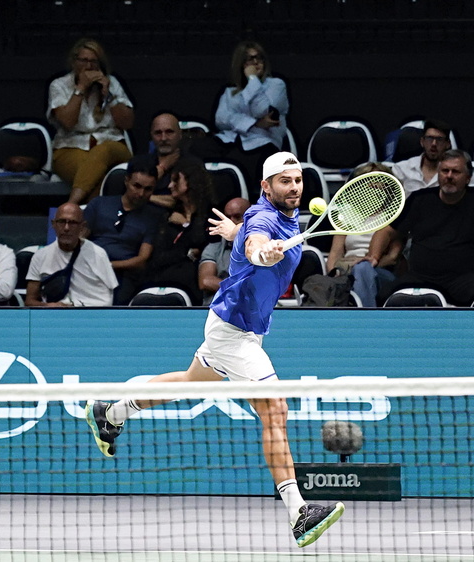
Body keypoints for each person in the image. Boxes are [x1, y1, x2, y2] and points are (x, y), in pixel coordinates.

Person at [84, 152, 344, 548]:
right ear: (266, 186)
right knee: (275, 409)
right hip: (234, 332)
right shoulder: (262, 219)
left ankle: (111, 411)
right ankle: (299, 512)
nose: (294, 187)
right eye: (284, 181)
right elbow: (258, 240)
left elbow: (250, 233)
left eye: (298, 180)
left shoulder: (282, 218)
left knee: (191, 380)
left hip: (236, 325)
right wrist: (258, 249)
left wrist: (234, 233)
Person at [366, 149, 474, 307]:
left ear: (468, 178)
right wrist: (374, 256)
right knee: (385, 295)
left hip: (465, 279)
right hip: (420, 277)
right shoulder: (420, 199)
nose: (449, 176)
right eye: (444, 171)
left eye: (455, 172)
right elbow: (387, 231)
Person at [195, 41, 288, 199]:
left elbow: (262, 110)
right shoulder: (230, 91)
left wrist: (252, 79)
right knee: (194, 150)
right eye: (249, 59)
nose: (256, 63)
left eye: (259, 58)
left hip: (262, 143)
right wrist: (255, 123)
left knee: (235, 165)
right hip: (230, 140)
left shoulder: (276, 85)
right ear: (240, 63)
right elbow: (221, 119)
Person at [48, 38, 135, 205]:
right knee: (96, 177)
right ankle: (89, 224)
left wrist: (108, 95)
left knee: (105, 149)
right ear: (74, 62)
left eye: (94, 61)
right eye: (84, 61)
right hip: (70, 147)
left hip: (113, 145)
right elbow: (67, 122)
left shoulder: (112, 83)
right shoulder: (59, 85)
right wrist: (80, 88)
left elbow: (127, 123)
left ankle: (70, 207)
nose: (89, 66)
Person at [84, 154, 161, 305]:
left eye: (148, 189)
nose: (141, 194)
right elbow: (78, 242)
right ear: (126, 181)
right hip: (88, 269)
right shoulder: (98, 204)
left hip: (124, 275)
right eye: (136, 186)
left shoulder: (153, 217)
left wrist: (108, 266)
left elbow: (142, 260)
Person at [326, 162, 404, 307]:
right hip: (347, 272)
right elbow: (334, 255)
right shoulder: (346, 216)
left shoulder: (394, 216)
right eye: (367, 184)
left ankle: (366, 318)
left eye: (377, 185)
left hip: (381, 273)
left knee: (362, 270)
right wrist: (335, 273)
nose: (372, 189)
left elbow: (393, 258)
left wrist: (364, 264)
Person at [141, 159, 217, 305]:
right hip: (162, 277)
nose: (170, 185)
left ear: (191, 182)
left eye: (176, 180)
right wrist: (187, 253)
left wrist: (185, 225)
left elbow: (204, 249)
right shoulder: (169, 216)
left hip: (192, 281)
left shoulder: (211, 215)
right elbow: (158, 257)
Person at [25, 203, 118, 307]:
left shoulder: (98, 254)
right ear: (53, 224)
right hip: (53, 316)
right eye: (61, 222)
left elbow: (107, 299)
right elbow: (29, 302)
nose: (66, 228)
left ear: (82, 227)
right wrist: (48, 306)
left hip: (90, 315)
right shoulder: (40, 256)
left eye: (72, 223)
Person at [392, 119, 474, 205]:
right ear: (422, 141)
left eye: (439, 139)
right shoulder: (401, 169)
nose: (434, 144)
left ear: (448, 144)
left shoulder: (458, 171)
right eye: (430, 138)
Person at [198, 197, 251, 304]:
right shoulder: (213, 248)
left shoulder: (260, 246)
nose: (230, 222)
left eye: (237, 217)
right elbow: (206, 281)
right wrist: (241, 289)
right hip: (217, 308)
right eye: (227, 217)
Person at [148, 112, 204, 207]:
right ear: (151, 136)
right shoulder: (139, 163)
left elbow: (187, 203)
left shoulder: (194, 164)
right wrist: (162, 167)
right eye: (158, 133)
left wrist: (146, 197)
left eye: (169, 132)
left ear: (180, 134)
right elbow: (129, 197)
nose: (164, 138)